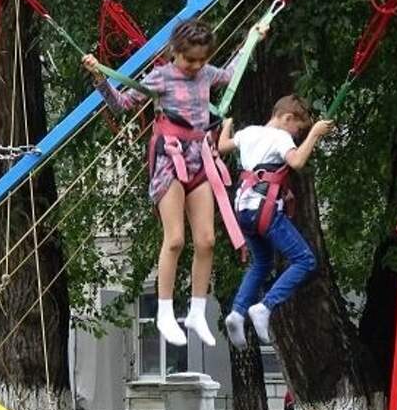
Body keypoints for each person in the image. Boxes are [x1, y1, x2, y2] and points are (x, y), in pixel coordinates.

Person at [83, 17, 267, 348]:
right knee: (176, 239)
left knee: (208, 240)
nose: (196, 66)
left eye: (202, 60)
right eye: (189, 60)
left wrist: (252, 38)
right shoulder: (162, 77)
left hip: (200, 158)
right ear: (175, 52)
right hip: (169, 158)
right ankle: (165, 311)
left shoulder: (207, 73)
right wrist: (100, 77)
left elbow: (232, 72)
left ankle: (197, 311)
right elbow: (121, 104)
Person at [218, 95, 333, 348]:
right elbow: (297, 161)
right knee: (305, 260)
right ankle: (264, 306)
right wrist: (314, 134)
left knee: (262, 262)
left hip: (243, 210)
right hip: (265, 210)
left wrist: (227, 123)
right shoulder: (281, 138)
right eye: (298, 129)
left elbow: (222, 146)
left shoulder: (248, 133)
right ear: (287, 118)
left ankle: (237, 312)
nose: (297, 135)